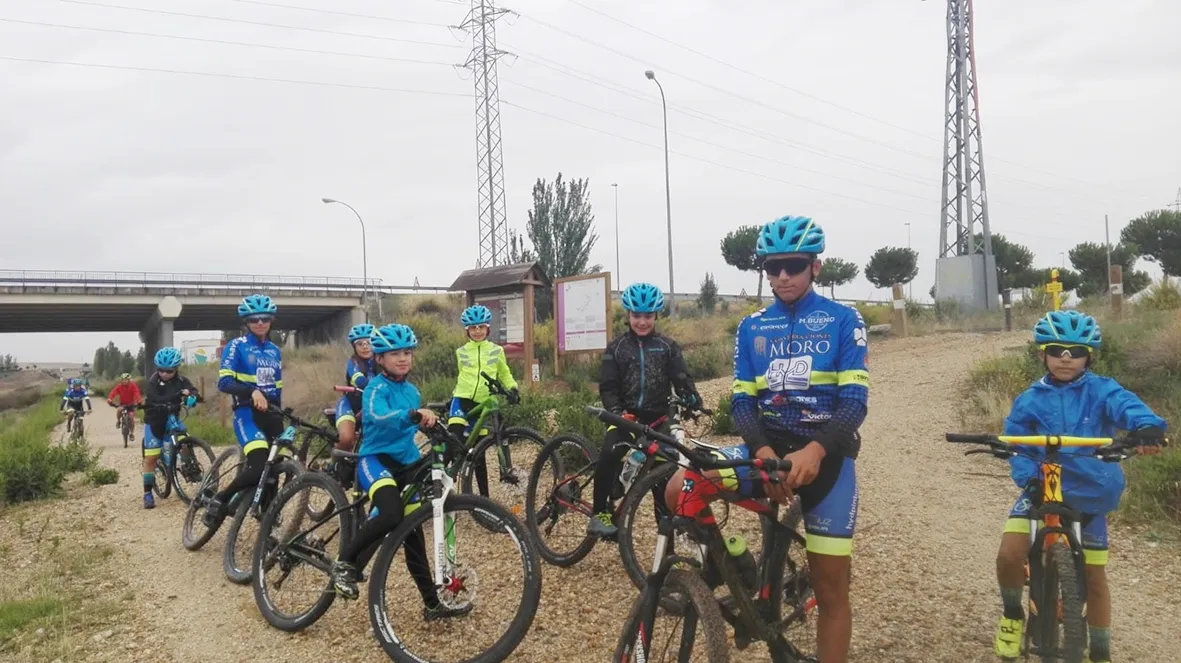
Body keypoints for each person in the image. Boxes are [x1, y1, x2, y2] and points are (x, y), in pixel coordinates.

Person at [663, 215, 868, 663]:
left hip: (826, 461)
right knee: (681, 486)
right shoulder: (753, 327)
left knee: (832, 593)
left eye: (792, 266)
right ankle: (736, 563)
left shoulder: (843, 320)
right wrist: (765, 454)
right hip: (766, 452)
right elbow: (741, 404)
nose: (781, 277)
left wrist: (813, 451)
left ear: (815, 266)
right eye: (772, 267)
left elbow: (854, 403)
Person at [992, 310, 1166, 663]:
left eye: (1076, 351)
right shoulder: (1030, 398)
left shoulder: (1103, 390)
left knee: (1094, 577)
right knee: (1010, 554)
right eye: (1056, 350)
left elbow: (1129, 407)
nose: (1065, 358)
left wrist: (1147, 427)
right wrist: (1026, 475)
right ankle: (1012, 615)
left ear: (1090, 355)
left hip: (1093, 487)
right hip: (1044, 482)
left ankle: (1100, 650)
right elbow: (1018, 444)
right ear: (1043, 354)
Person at [329, 323, 471, 621]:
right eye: (394, 354)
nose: (403, 358)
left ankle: (432, 604)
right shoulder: (374, 389)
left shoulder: (412, 390)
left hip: (405, 462)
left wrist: (437, 428)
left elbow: (416, 423)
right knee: (392, 514)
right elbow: (379, 417)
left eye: (407, 352)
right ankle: (343, 563)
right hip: (375, 460)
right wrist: (411, 415)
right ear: (379, 359)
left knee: (413, 536)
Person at [587, 282, 702, 537]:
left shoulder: (668, 347)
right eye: (636, 316)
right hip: (626, 417)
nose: (642, 321)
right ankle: (599, 514)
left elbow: (682, 378)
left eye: (647, 316)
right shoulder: (616, 348)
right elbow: (608, 387)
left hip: (659, 420)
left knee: (663, 481)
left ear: (656, 316)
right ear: (628, 315)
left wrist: (693, 398)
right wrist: (617, 412)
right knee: (609, 454)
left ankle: (667, 548)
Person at [204, 294, 284, 527]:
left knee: (275, 467)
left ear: (271, 321)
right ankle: (220, 498)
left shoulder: (274, 350)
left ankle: (268, 517)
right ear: (246, 323)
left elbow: (277, 389)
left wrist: (281, 410)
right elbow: (224, 383)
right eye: (254, 319)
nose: (260, 323)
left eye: (265, 319)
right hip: (246, 414)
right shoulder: (236, 346)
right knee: (259, 465)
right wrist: (252, 392)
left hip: (270, 414)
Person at [447, 305, 520, 495]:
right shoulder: (461, 352)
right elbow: (461, 375)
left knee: (479, 454)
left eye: (481, 327)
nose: (477, 331)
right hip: (461, 398)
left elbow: (504, 373)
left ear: (488, 329)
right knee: (453, 439)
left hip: (483, 403)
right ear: (467, 331)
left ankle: (484, 498)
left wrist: (512, 388)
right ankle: (444, 477)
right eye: (473, 328)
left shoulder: (497, 350)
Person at [141, 348, 199, 509]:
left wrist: (192, 396)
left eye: (169, 371)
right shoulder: (153, 381)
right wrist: (179, 395)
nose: (164, 374)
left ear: (176, 369)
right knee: (151, 458)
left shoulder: (181, 380)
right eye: (161, 370)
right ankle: (147, 493)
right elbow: (155, 398)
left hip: (172, 418)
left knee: (185, 441)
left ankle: (190, 468)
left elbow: (193, 390)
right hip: (154, 422)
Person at [334, 323, 377, 451]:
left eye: (369, 342)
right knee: (346, 439)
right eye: (360, 343)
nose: (365, 346)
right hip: (350, 405)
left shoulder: (382, 361)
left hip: (373, 404)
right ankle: (334, 466)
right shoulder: (353, 363)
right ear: (354, 347)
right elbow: (360, 380)